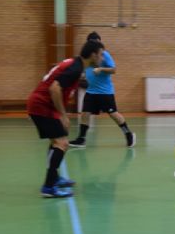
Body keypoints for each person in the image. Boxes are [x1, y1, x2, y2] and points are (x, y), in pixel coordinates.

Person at [27, 39, 103, 198]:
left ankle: (54, 178)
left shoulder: (76, 63)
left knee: (56, 142)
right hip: (42, 105)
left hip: (42, 104)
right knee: (62, 143)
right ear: (93, 55)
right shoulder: (75, 68)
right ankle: (48, 187)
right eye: (101, 55)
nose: (102, 58)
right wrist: (63, 115)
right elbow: (54, 88)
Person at [69, 31, 135, 148]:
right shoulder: (88, 56)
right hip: (91, 90)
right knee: (85, 113)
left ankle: (128, 134)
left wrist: (101, 69)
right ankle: (81, 139)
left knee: (113, 114)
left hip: (105, 92)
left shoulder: (105, 55)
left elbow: (114, 70)